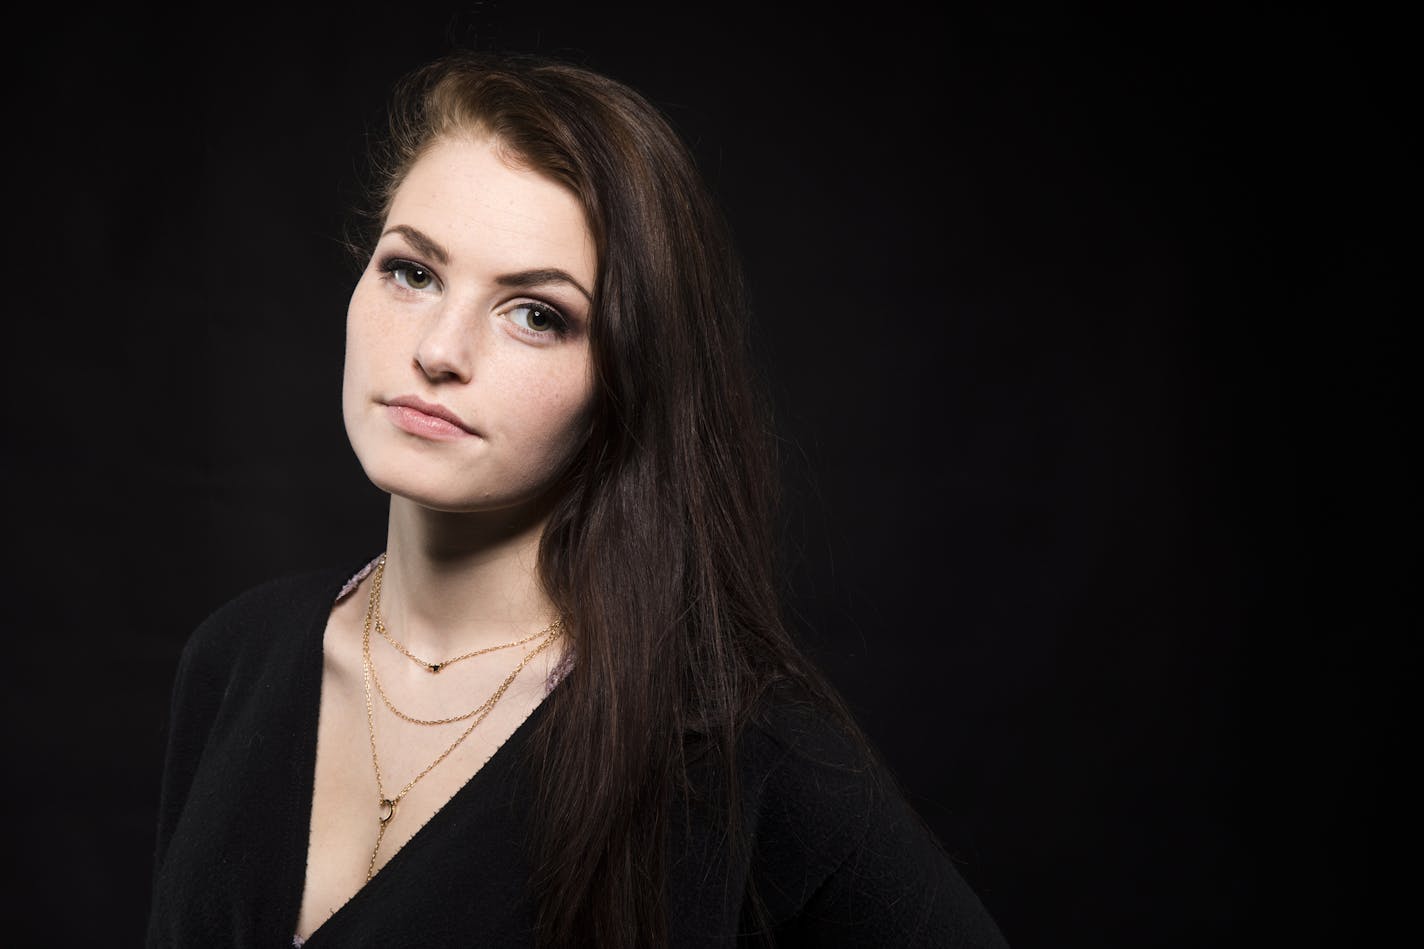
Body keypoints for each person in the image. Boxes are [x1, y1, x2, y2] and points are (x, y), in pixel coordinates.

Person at [145, 49, 1010, 948]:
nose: (440, 348)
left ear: (627, 380)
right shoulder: (234, 661)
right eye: (412, 271)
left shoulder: (726, 755)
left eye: (535, 314)